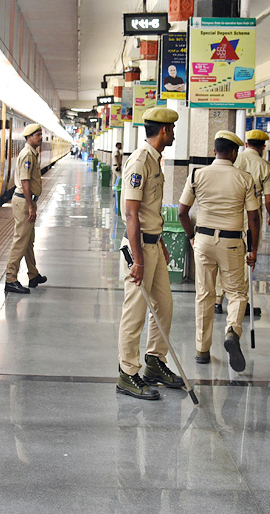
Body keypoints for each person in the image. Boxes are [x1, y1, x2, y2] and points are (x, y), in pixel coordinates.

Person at [115, 106, 185, 399]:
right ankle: (127, 373)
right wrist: (139, 260)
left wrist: (162, 244)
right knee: (135, 313)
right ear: (165, 130)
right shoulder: (140, 161)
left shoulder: (155, 160)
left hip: (153, 244)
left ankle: (155, 362)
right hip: (138, 248)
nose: (173, 134)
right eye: (171, 130)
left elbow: (150, 210)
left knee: (164, 306)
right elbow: (131, 214)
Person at [178, 130, 260, 372]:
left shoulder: (197, 175)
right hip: (232, 242)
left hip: (202, 239)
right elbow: (253, 217)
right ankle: (232, 331)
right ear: (234, 153)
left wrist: (192, 237)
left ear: (214, 151)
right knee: (236, 293)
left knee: (204, 294)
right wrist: (253, 249)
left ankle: (201, 350)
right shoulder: (245, 178)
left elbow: (182, 212)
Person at [233, 128, 270, 319]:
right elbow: (269, 197)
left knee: (228, 251)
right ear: (263, 147)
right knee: (248, 252)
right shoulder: (265, 166)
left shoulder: (234, 159)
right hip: (252, 212)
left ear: (246, 144)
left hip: (232, 209)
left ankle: (219, 300)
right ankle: (242, 302)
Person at [4, 124, 47, 294]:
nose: (40, 138)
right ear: (29, 137)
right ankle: (10, 279)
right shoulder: (27, 155)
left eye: (40, 134)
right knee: (20, 241)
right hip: (24, 201)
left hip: (26, 201)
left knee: (28, 240)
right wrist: (30, 206)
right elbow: (25, 182)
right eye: (37, 135)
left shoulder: (32, 153)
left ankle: (33, 275)